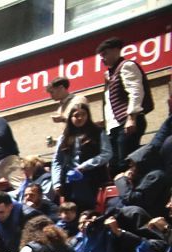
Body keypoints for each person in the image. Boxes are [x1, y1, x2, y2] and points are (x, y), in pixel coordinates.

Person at [98, 37, 150, 173]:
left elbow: (136, 91)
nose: (102, 59)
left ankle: (134, 192)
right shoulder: (110, 75)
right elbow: (110, 104)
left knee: (125, 163)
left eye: (105, 54)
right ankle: (124, 192)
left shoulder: (126, 66)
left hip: (125, 123)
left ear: (116, 50)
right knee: (114, 166)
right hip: (114, 127)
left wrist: (132, 117)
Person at [52, 103, 113, 211]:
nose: (80, 118)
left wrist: (86, 166)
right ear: (70, 118)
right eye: (76, 115)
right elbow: (57, 161)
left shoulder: (97, 132)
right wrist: (56, 182)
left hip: (92, 179)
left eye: (83, 114)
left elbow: (107, 153)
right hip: (69, 182)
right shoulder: (64, 137)